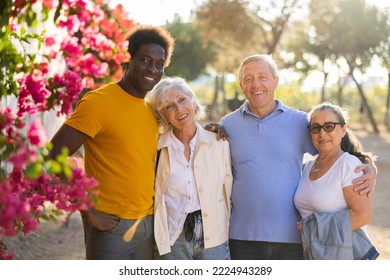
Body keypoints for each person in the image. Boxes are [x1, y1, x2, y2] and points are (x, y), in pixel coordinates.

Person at [211, 54, 377, 260]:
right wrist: (208, 132)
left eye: (263, 76)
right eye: (248, 78)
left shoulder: (299, 121)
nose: (256, 84)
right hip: (241, 236)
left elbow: (336, 146)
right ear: (241, 85)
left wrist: (368, 166)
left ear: (276, 80)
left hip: (293, 238)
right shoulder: (229, 124)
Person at [49, 25, 174, 260]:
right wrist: (87, 209)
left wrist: (214, 131)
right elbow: (53, 155)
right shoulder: (99, 103)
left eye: (159, 64)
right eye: (145, 60)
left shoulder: (153, 108)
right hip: (109, 227)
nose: (153, 69)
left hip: (147, 224)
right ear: (127, 61)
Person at [146, 77, 232, 260]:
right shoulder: (158, 147)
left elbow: (228, 189)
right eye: (169, 106)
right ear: (163, 115)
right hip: (173, 237)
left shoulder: (218, 142)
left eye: (182, 99)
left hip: (214, 236)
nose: (178, 109)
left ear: (192, 101)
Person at [294, 102, 379, 259]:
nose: (322, 133)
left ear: (343, 129)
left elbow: (362, 216)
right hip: (313, 255)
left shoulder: (349, 165)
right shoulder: (308, 166)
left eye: (329, 126)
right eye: (316, 127)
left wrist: (311, 229)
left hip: (342, 256)